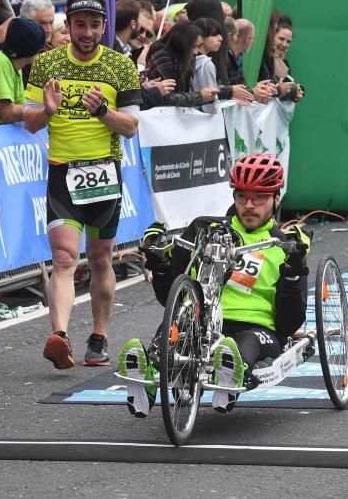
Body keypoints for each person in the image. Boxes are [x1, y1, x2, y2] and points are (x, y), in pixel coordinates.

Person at [117, 154, 310, 417]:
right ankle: (144, 375)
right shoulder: (204, 229)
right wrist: (159, 261)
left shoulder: (284, 245)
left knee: (241, 345)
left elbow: (291, 322)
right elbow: (171, 296)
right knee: (172, 329)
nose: (249, 205)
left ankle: (230, 369)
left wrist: (293, 271)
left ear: (276, 198)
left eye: (259, 198)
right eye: (242, 197)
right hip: (199, 320)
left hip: (256, 328)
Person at [23, 0, 141, 369]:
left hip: (104, 172)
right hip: (62, 171)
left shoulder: (120, 66)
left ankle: (99, 335)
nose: (87, 32)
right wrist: (47, 109)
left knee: (101, 258)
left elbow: (131, 127)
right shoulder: (46, 65)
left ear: (104, 26)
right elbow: (29, 122)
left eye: (94, 25)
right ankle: (59, 335)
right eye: (79, 25)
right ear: (68, 26)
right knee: (63, 257)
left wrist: (104, 111)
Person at [0, 17, 46, 125]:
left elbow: (21, 107)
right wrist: (45, 108)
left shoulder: (15, 65)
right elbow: (8, 113)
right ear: (34, 50)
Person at [192, 16, 252, 113]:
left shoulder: (192, 60)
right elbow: (210, 106)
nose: (220, 38)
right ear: (201, 38)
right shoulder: (206, 64)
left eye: (220, 34)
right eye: (214, 35)